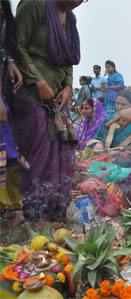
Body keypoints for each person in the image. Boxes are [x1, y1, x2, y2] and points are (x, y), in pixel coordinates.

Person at [12, 0, 82, 223]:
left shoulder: (71, 18)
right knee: (40, 153)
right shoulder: (34, 5)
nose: (79, 1)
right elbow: (16, 45)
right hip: (31, 93)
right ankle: (35, 212)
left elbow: (68, 58)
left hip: (58, 99)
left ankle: (57, 211)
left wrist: (69, 86)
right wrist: (38, 81)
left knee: (64, 153)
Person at [0, 0, 27, 227]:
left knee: (10, 144)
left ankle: (11, 206)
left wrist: (9, 60)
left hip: (5, 85)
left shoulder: (4, 8)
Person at [87, 90, 131, 168]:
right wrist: (99, 143)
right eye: (117, 103)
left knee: (117, 161)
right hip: (107, 152)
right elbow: (99, 137)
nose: (119, 107)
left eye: (123, 104)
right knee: (89, 150)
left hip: (126, 155)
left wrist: (130, 154)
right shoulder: (110, 118)